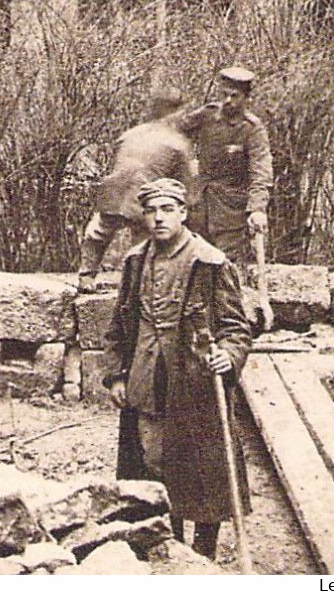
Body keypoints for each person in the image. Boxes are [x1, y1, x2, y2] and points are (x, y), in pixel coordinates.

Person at [105, 178, 252, 561]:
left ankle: (202, 552)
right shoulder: (136, 262)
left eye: (167, 210)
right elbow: (120, 326)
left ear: (183, 214)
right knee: (151, 462)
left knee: (201, 466)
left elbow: (236, 328)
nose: (158, 219)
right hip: (145, 377)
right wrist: (118, 374)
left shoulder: (210, 263)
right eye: (151, 210)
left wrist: (229, 356)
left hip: (195, 379)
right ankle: (165, 545)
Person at [180, 66, 274, 329]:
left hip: (231, 212)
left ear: (246, 98)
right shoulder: (207, 116)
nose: (228, 101)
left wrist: (257, 208)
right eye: (224, 94)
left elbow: (261, 171)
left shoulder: (252, 130)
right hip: (198, 204)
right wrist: (184, 164)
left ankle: (230, 328)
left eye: (234, 96)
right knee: (193, 264)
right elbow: (175, 131)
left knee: (226, 270)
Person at [79, 86, 195, 293]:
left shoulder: (130, 134)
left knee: (98, 234)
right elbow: (184, 187)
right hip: (143, 199)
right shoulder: (177, 144)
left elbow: (116, 161)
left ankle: (87, 275)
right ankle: (135, 286)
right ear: (176, 112)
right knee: (144, 243)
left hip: (114, 190)